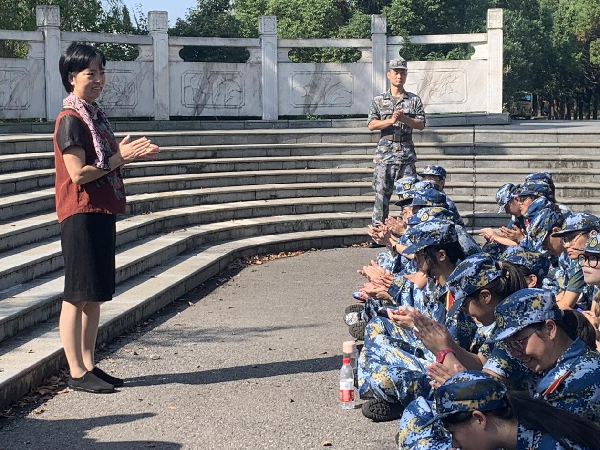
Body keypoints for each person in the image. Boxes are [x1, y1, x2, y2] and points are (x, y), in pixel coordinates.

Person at [55, 43, 159, 393]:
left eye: (102, 72)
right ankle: (75, 372)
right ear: (72, 77)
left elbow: (106, 162)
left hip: (100, 210)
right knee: (77, 294)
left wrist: (129, 154)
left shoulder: (94, 116)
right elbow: (78, 174)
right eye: (91, 73)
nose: (99, 79)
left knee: (95, 294)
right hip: (80, 212)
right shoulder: (70, 120)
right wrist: (120, 158)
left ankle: (89, 364)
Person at [423, 371, 600, 450]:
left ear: (479, 419)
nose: (454, 444)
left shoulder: (549, 445)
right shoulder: (526, 430)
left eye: (453, 433)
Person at [367, 57, 425, 229]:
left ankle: (409, 232)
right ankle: (378, 233)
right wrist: (391, 121)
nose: (399, 76)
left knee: (408, 197)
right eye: (396, 72)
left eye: (402, 73)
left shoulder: (414, 100)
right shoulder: (379, 100)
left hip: (406, 155)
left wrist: (404, 119)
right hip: (385, 155)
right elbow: (371, 124)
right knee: (381, 196)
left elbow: (421, 124)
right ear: (389, 75)